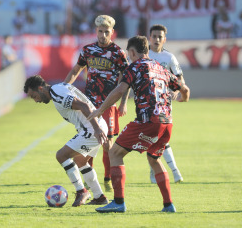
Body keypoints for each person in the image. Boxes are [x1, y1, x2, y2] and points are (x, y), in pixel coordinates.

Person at [87, 36, 190, 213]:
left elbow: (120, 90)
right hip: (167, 122)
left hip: (147, 120)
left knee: (114, 153)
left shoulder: (134, 66)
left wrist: (100, 109)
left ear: (132, 52)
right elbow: (184, 89)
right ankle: (168, 204)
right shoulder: (160, 68)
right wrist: (183, 99)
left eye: (129, 53)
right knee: (154, 158)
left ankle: (118, 202)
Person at [64, 15, 129, 193]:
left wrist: (123, 102)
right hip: (89, 104)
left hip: (109, 104)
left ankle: (107, 178)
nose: (103, 35)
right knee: (89, 141)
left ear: (112, 32)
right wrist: (64, 87)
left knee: (107, 145)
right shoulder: (87, 50)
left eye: (106, 32)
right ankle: (88, 179)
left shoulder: (118, 52)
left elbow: (127, 78)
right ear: (96, 31)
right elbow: (76, 70)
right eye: (100, 31)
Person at [24, 75, 109, 206]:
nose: (36, 100)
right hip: (97, 125)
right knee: (80, 161)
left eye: (34, 96)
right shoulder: (59, 88)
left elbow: (84, 106)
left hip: (93, 129)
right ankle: (99, 197)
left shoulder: (57, 93)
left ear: (41, 88)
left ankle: (81, 191)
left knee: (61, 155)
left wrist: (97, 129)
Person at [147, 24, 187, 184]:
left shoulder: (169, 58)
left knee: (160, 137)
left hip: (164, 102)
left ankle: (161, 171)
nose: (157, 39)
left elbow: (180, 79)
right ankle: (170, 172)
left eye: (159, 37)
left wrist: (177, 90)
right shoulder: (144, 55)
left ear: (164, 39)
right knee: (154, 138)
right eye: (154, 36)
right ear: (149, 37)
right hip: (146, 102)